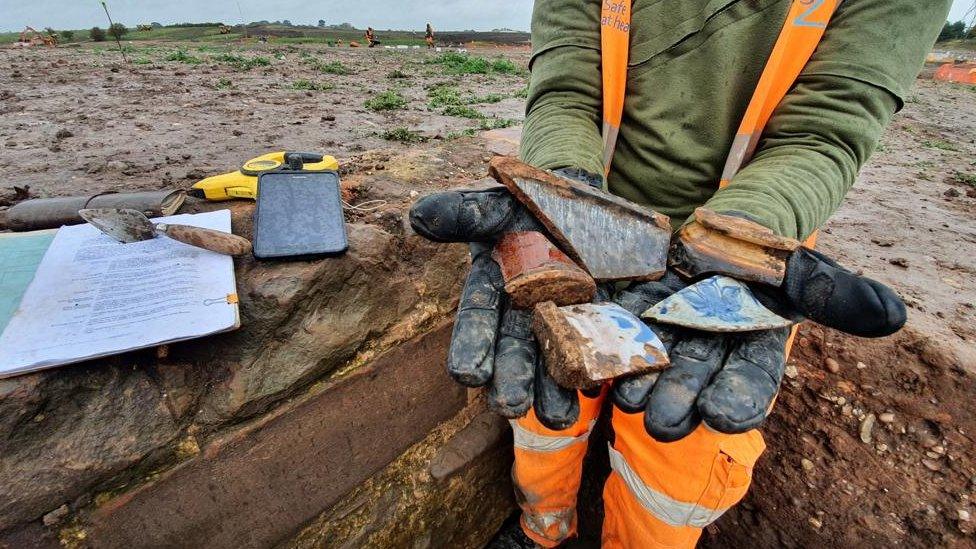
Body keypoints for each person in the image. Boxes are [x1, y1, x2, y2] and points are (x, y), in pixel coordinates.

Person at [410, 0, 949, 546]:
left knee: (680, 443)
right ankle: (542, 528)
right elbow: (566, 91)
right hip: (587, 220)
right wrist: (559, 200)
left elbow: (824, 133)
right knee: (545, 391)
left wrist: (737, 238)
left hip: (750, 234)